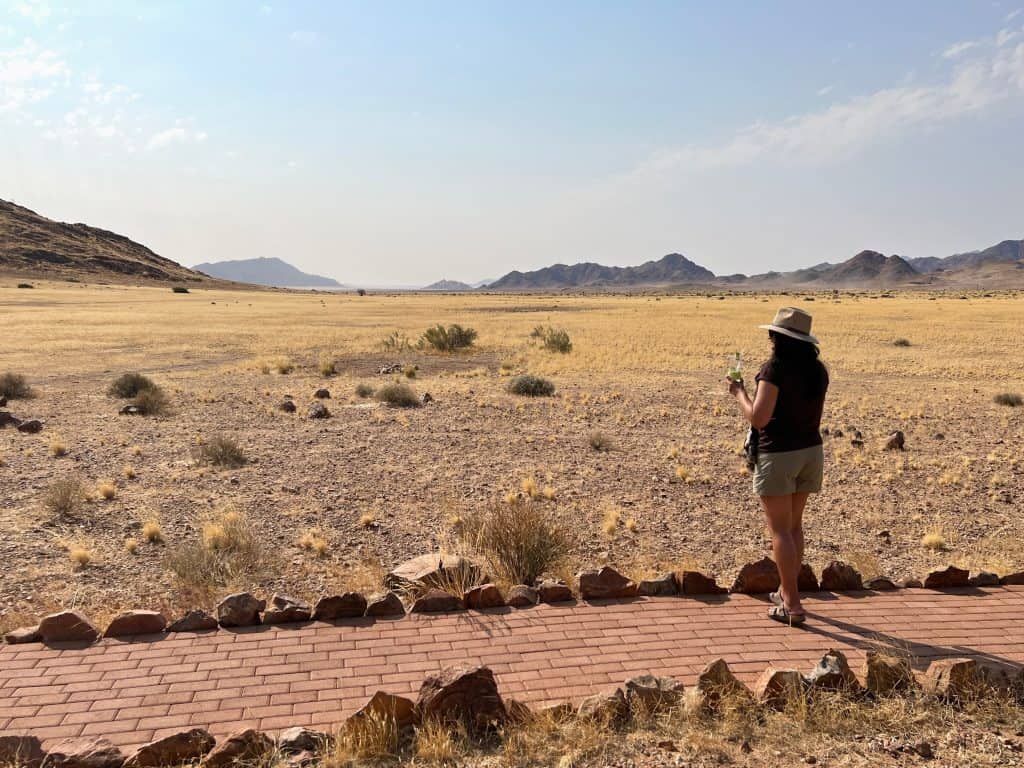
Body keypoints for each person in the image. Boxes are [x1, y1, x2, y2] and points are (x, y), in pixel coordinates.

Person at [727, 307, 829, 625]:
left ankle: (793, 605)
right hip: (810, 452)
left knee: (780, 531)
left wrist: (739, 392)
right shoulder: (818, 371)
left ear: (778, 338)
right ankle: (787, 592)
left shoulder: (774, 370)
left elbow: (759, 418)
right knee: (794, 526)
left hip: (780, 455)